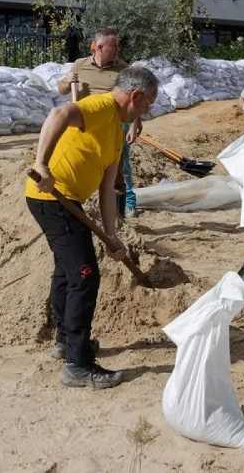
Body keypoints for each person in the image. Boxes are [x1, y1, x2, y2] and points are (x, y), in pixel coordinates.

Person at [26, 67, 158, 389]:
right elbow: (59, 113)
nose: (148, 111)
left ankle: (65, 342)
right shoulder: (99, 108)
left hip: (70, 203)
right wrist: (42, 163)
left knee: (68, 271)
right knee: (86, 274)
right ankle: (78, 364)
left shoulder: (116, 129)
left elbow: (107, 187)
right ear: (135, 96)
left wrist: (112, 236)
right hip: (51, 198)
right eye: (148, 104)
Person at [58, 27, 141, 218]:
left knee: (118, 170)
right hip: (86, 125)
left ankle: (122, 212)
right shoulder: (80, 65)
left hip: (114, 126)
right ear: (97, 47)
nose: (117, 51)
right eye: (113, 47)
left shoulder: (123, 69)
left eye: (118, 47)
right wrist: (67, 81)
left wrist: (134, 124)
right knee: (82, 166)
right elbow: (61, 89)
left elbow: (134, 99)